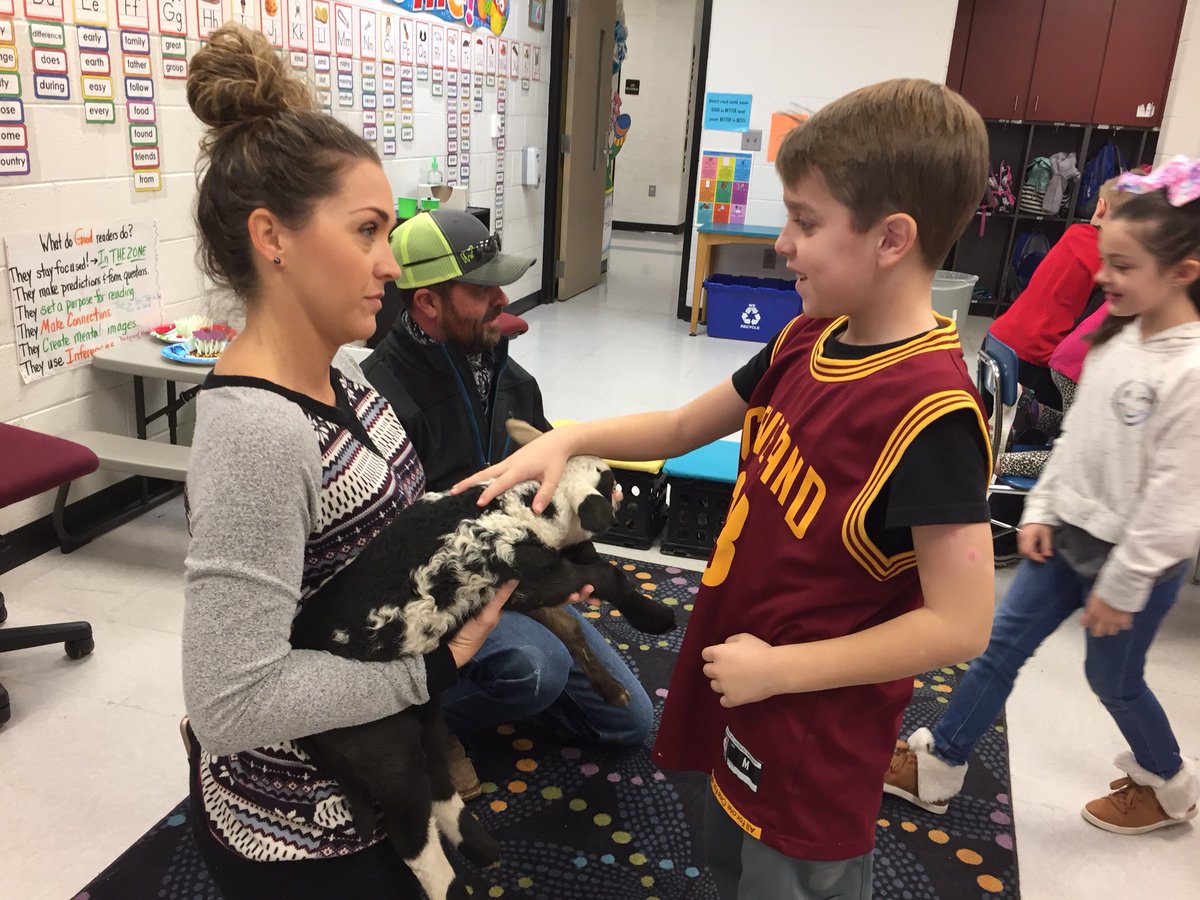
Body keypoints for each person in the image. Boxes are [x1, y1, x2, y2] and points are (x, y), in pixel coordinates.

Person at [453, 79, 997, 899]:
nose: (783, 243)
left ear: (891, 238)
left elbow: (961, 623)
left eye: (806, 222)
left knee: (790, 875)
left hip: (814, 725)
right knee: (727, 859)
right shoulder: (805, 336)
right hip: (746, 674)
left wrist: (782, 673)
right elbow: (679, 428)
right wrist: (567, 439)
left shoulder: (932, 415)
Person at [180, 25, 511, 897]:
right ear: (271, 236)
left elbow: (378, 538)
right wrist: (434, 664)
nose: (387, 264)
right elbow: (228, 703)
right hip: (305, 826)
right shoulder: (259, 430)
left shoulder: (345, 376)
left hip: (382, 774)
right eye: (367, 232)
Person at [885, 158, 1200, 835]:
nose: (1101, 276)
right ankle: (939, 766)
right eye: (1105, 260)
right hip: (1068, 536)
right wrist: (1047, 506)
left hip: (1135, 566)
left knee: (1112, 680)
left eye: (1122, 266)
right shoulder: (1118, 337)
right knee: (998, 647)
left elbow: (1180, 505)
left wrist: (1123, 585)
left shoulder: (1190, 370)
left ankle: (1168, 785)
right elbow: (1079, 438)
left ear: (1182, 274)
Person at [361, 211, 653, 796]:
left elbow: (554, 476)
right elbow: (399, 557)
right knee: (534, 669)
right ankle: (407, 724)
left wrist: (582, 534)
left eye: (500, 281)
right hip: (441, 593)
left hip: (518, 570)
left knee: (629, 722)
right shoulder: (380, 395)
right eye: (481, 289)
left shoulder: (507, 373)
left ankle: (477, 695)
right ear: (426, 304)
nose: (502, 298)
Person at [990, 177, 1127, 410]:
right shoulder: (1113, 264)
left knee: (990, 421)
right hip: (1037, 359)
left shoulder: (1074, 234)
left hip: (999, 337)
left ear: (1101, 206)